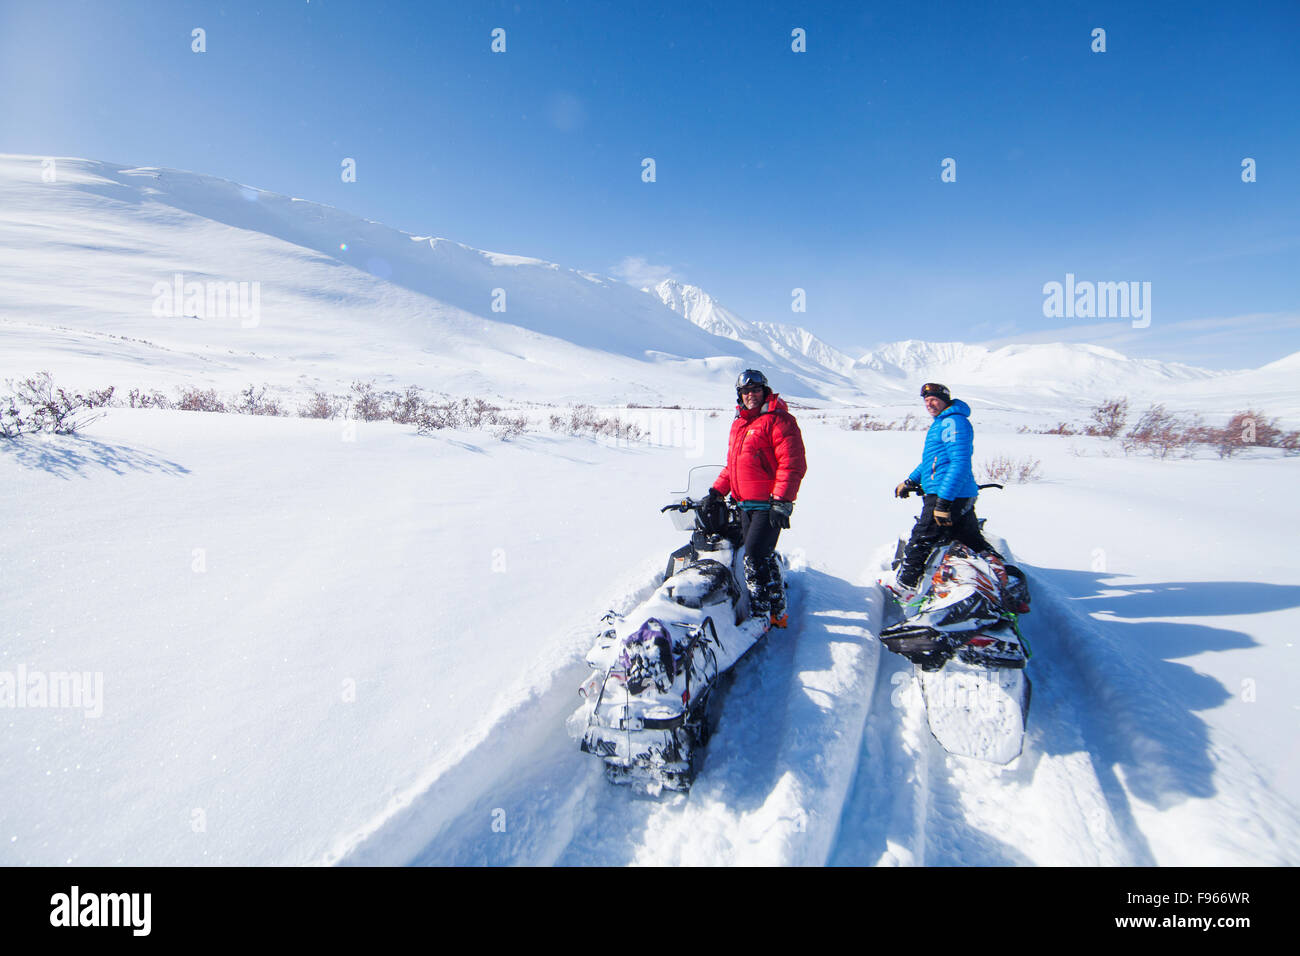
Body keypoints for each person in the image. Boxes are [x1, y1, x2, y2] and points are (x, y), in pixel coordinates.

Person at [705, 369, 807, 628]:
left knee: (753, 557)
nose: (751, 395)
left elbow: (792, 464)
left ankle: (760, 612)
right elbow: (733, 465)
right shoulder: (740, 423)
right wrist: (717, 491)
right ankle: (777, 609)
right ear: (740, 395)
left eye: (756, 390)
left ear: (765, 392)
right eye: (746, 391)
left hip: (768, 505)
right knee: (763, 555)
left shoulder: (779, 420)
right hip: (744, 505)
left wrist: (782, 502)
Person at [886, 382, 997, 600]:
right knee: (970, 540)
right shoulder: (943, 422)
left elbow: (960, 463)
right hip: (952, 492)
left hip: (948, 494)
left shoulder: (952, 422)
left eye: (934, 399)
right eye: (926, 401)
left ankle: (905, 587)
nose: (929, 404)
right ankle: (1000, 576)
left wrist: (944, 501)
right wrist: (910, 481)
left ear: (945, 400)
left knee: (922, 537)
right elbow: (932, 462)